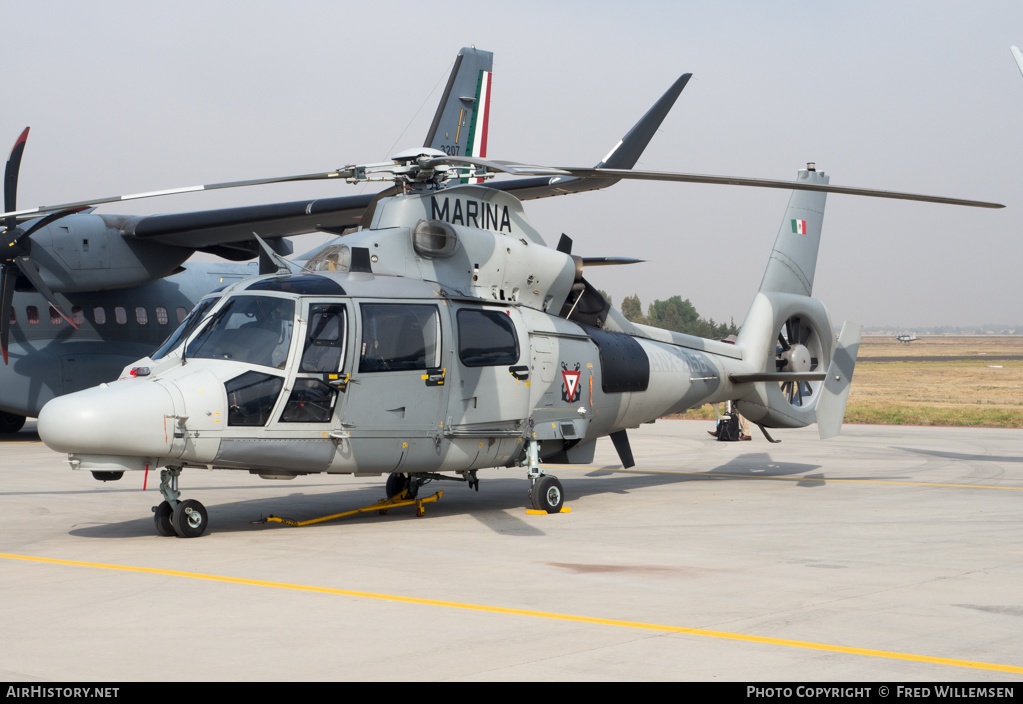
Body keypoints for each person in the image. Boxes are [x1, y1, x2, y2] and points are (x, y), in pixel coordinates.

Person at [707, 334, 752, 440]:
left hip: (738, 386)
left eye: (729, 343)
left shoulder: (739, 357)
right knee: (727, 410)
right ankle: (722, 429)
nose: (727, 345)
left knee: (740, 410)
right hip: (730, 386)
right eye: (726, 343)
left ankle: (747, 433)